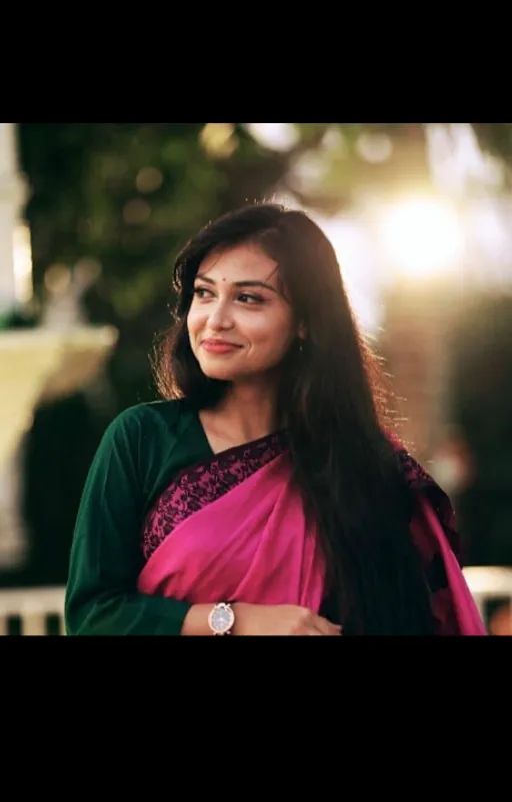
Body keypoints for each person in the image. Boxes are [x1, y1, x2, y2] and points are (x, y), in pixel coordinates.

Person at [65, 203, 486, 636]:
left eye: (248, 298)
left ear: (305, 321)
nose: (215, 320)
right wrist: (233, 619)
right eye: (204, 293)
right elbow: (93, 616)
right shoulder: (142, 439)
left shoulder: (363, 465)